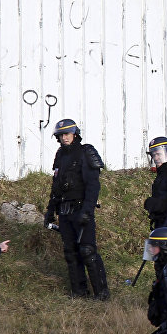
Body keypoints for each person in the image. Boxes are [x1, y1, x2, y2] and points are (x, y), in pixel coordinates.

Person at [44, 118, 110, 300]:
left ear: (75, 134)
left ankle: (102, 293)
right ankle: (79, 292)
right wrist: (50, 211)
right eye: (61, 135)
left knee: (88, 251)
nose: (64, 137)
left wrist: (87, 211)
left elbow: (93, 186)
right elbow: (56, 187)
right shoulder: (60, 155)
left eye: (67, 133)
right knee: (71, 253)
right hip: (64, 212)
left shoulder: (86, 152)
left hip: (81, 209)